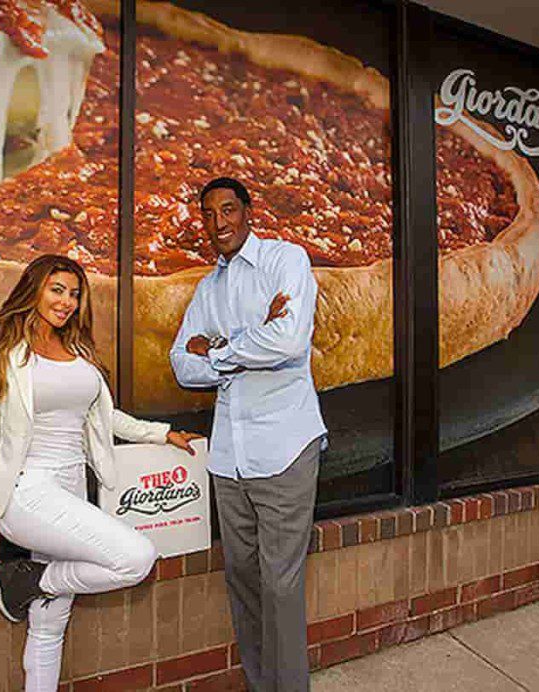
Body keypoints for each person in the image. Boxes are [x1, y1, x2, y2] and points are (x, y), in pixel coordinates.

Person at [0, 254, 201, 692]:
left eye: (73, 293)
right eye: (56, 289)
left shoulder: (79, 352)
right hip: (25, 492)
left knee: (50, 622)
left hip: (71, 490)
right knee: (135, 558)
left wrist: (162, 434)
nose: (66, 302)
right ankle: (25, 579)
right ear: (33, 289)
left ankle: (34, 588)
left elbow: (106, 419)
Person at [169, 177, 327, 692]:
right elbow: (178, 364)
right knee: (243, 582)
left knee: (280, 586)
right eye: (210, 214)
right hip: (229, 457)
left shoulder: (287, 260)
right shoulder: (207, 289)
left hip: (285, 446)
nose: (220, 223)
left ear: (249, 211)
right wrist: (245, 347)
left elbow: (287, 339)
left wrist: (217, 350)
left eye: (229, 210)